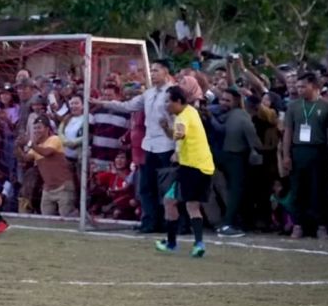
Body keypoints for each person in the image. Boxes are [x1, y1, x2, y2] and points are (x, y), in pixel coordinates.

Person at [93, 59, 176, 234]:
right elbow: (127, 106)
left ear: (166, 72)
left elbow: (179, 120)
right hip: (150, 146)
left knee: (166, 188)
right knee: (146, 187)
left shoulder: (173, 92)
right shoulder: (149, 93)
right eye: (151, 71)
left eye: (156, 70)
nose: (152, 74)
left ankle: (169, 223)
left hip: (167, 146)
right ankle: (149, 222)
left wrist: (177, 147)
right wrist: (103, 103)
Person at [156, 86, 213, 257]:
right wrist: (177, 151)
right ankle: (197, 244)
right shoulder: (192, 112)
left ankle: (173, 243)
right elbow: (185, 138)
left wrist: (167, 128)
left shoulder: (182, 117)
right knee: (184, 203)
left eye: (168, 101)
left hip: (191, 167)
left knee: (175, 202)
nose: (166, 105)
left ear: (178, 101)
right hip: (204, 166)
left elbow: (179, 134)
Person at [282, 72, 328, 239]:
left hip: (319, 151)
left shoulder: (327, 106)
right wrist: (286, 155)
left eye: (303, 86)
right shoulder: (293, 106)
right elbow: (288, 132)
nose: (299, 90)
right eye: (297, 87)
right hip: (299, 150)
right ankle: (298, 225)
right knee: (298, 189)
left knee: (318, 189)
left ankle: (321, 226)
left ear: (314, 86)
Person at [212, 88, 263, 237]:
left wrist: (256, 151)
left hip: (236, 157)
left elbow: (253, 139)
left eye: (227, 100)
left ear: (236, 102)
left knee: (235, 191)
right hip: (224, 157)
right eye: (222, 99)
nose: (223, 102)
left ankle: (230, 222)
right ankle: (228, 222)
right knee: (232, 191)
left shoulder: (240, 116)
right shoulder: (221, 114)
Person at [25, 118, 77, 217]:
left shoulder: (54, 139)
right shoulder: (37, 146)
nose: (36, 130)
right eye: (35, 128)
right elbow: (25, 159)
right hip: (48, 189)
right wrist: (17, 147)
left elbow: (46, 152)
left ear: (47, 129)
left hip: (63, 187)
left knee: (67, 217)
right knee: (46, 220)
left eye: (39, 128)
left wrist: (31, 144)